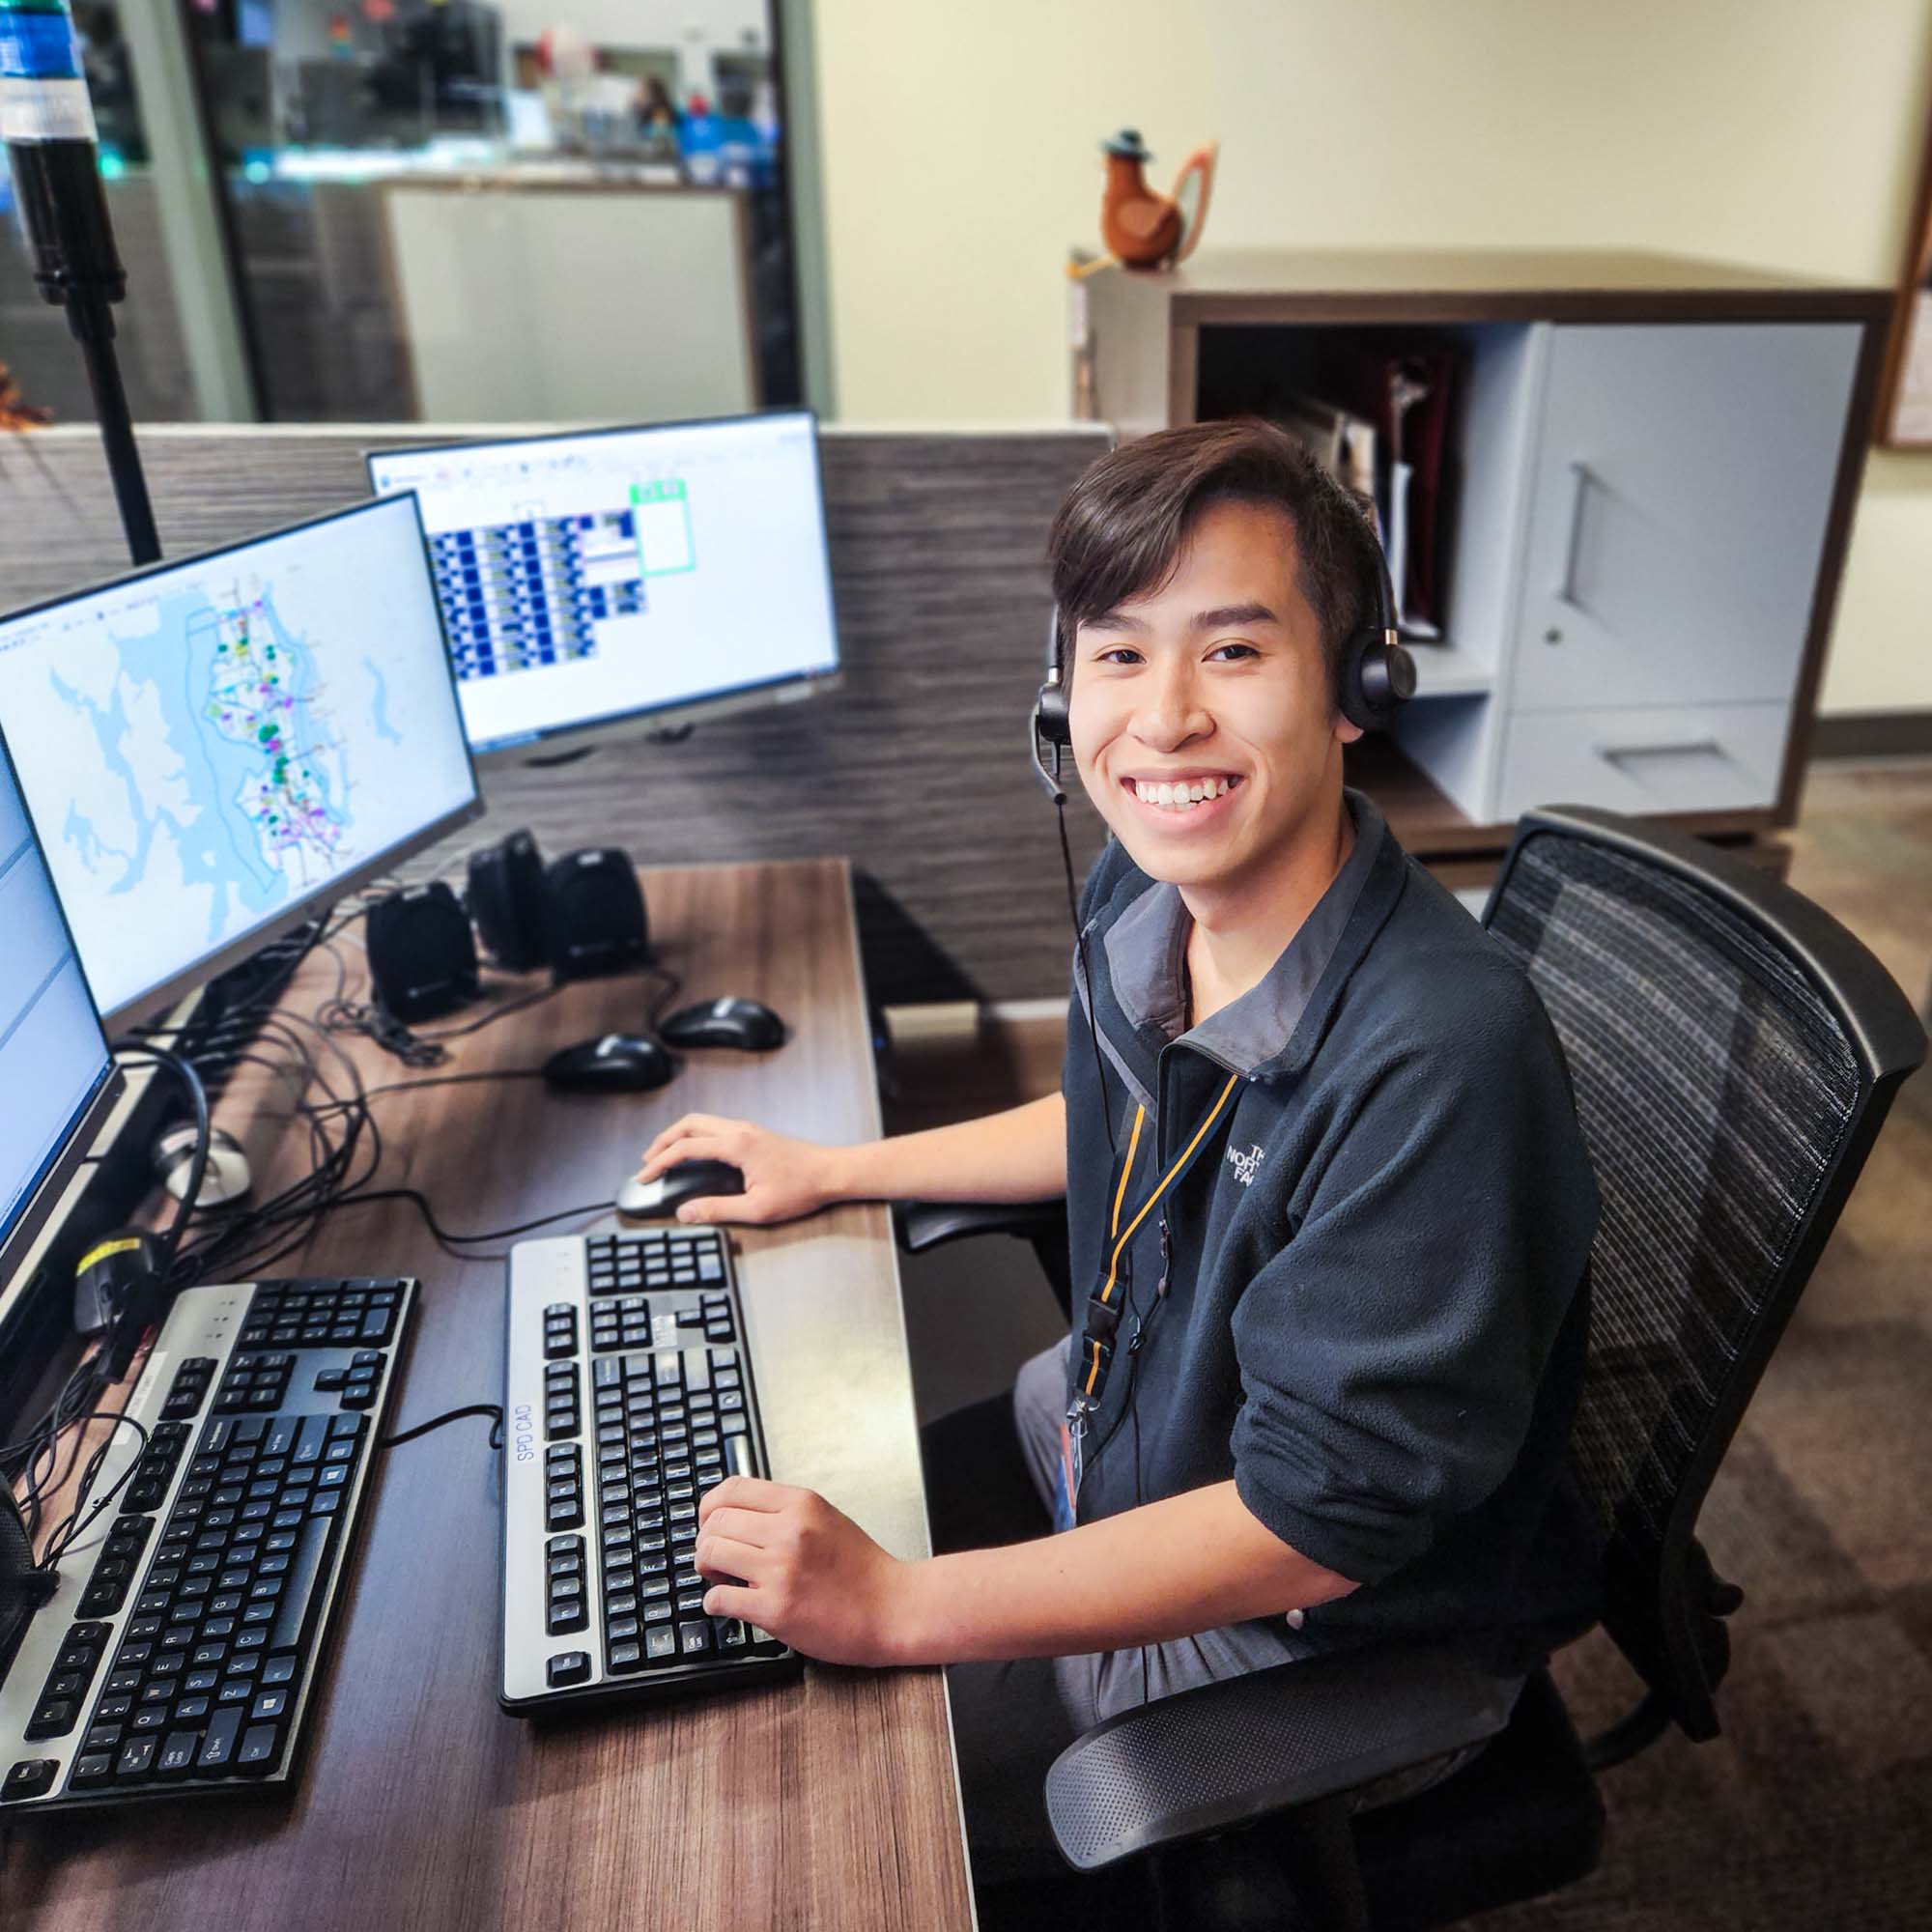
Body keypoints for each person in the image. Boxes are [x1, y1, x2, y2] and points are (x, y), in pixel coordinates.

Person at [642, 418, 1603, 1878]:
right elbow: (1115, 1113)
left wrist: (903, 1608)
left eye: (1231, 652)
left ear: (1355, 693)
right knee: (697, 1630)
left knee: (798, 1831)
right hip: (1110, 1439)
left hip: (1292, 1637)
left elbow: (1309, 1529)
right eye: (1116, 652)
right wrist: (837, 1168)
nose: (1161, 720)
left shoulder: (1437, 1059)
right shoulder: (1146, 895)